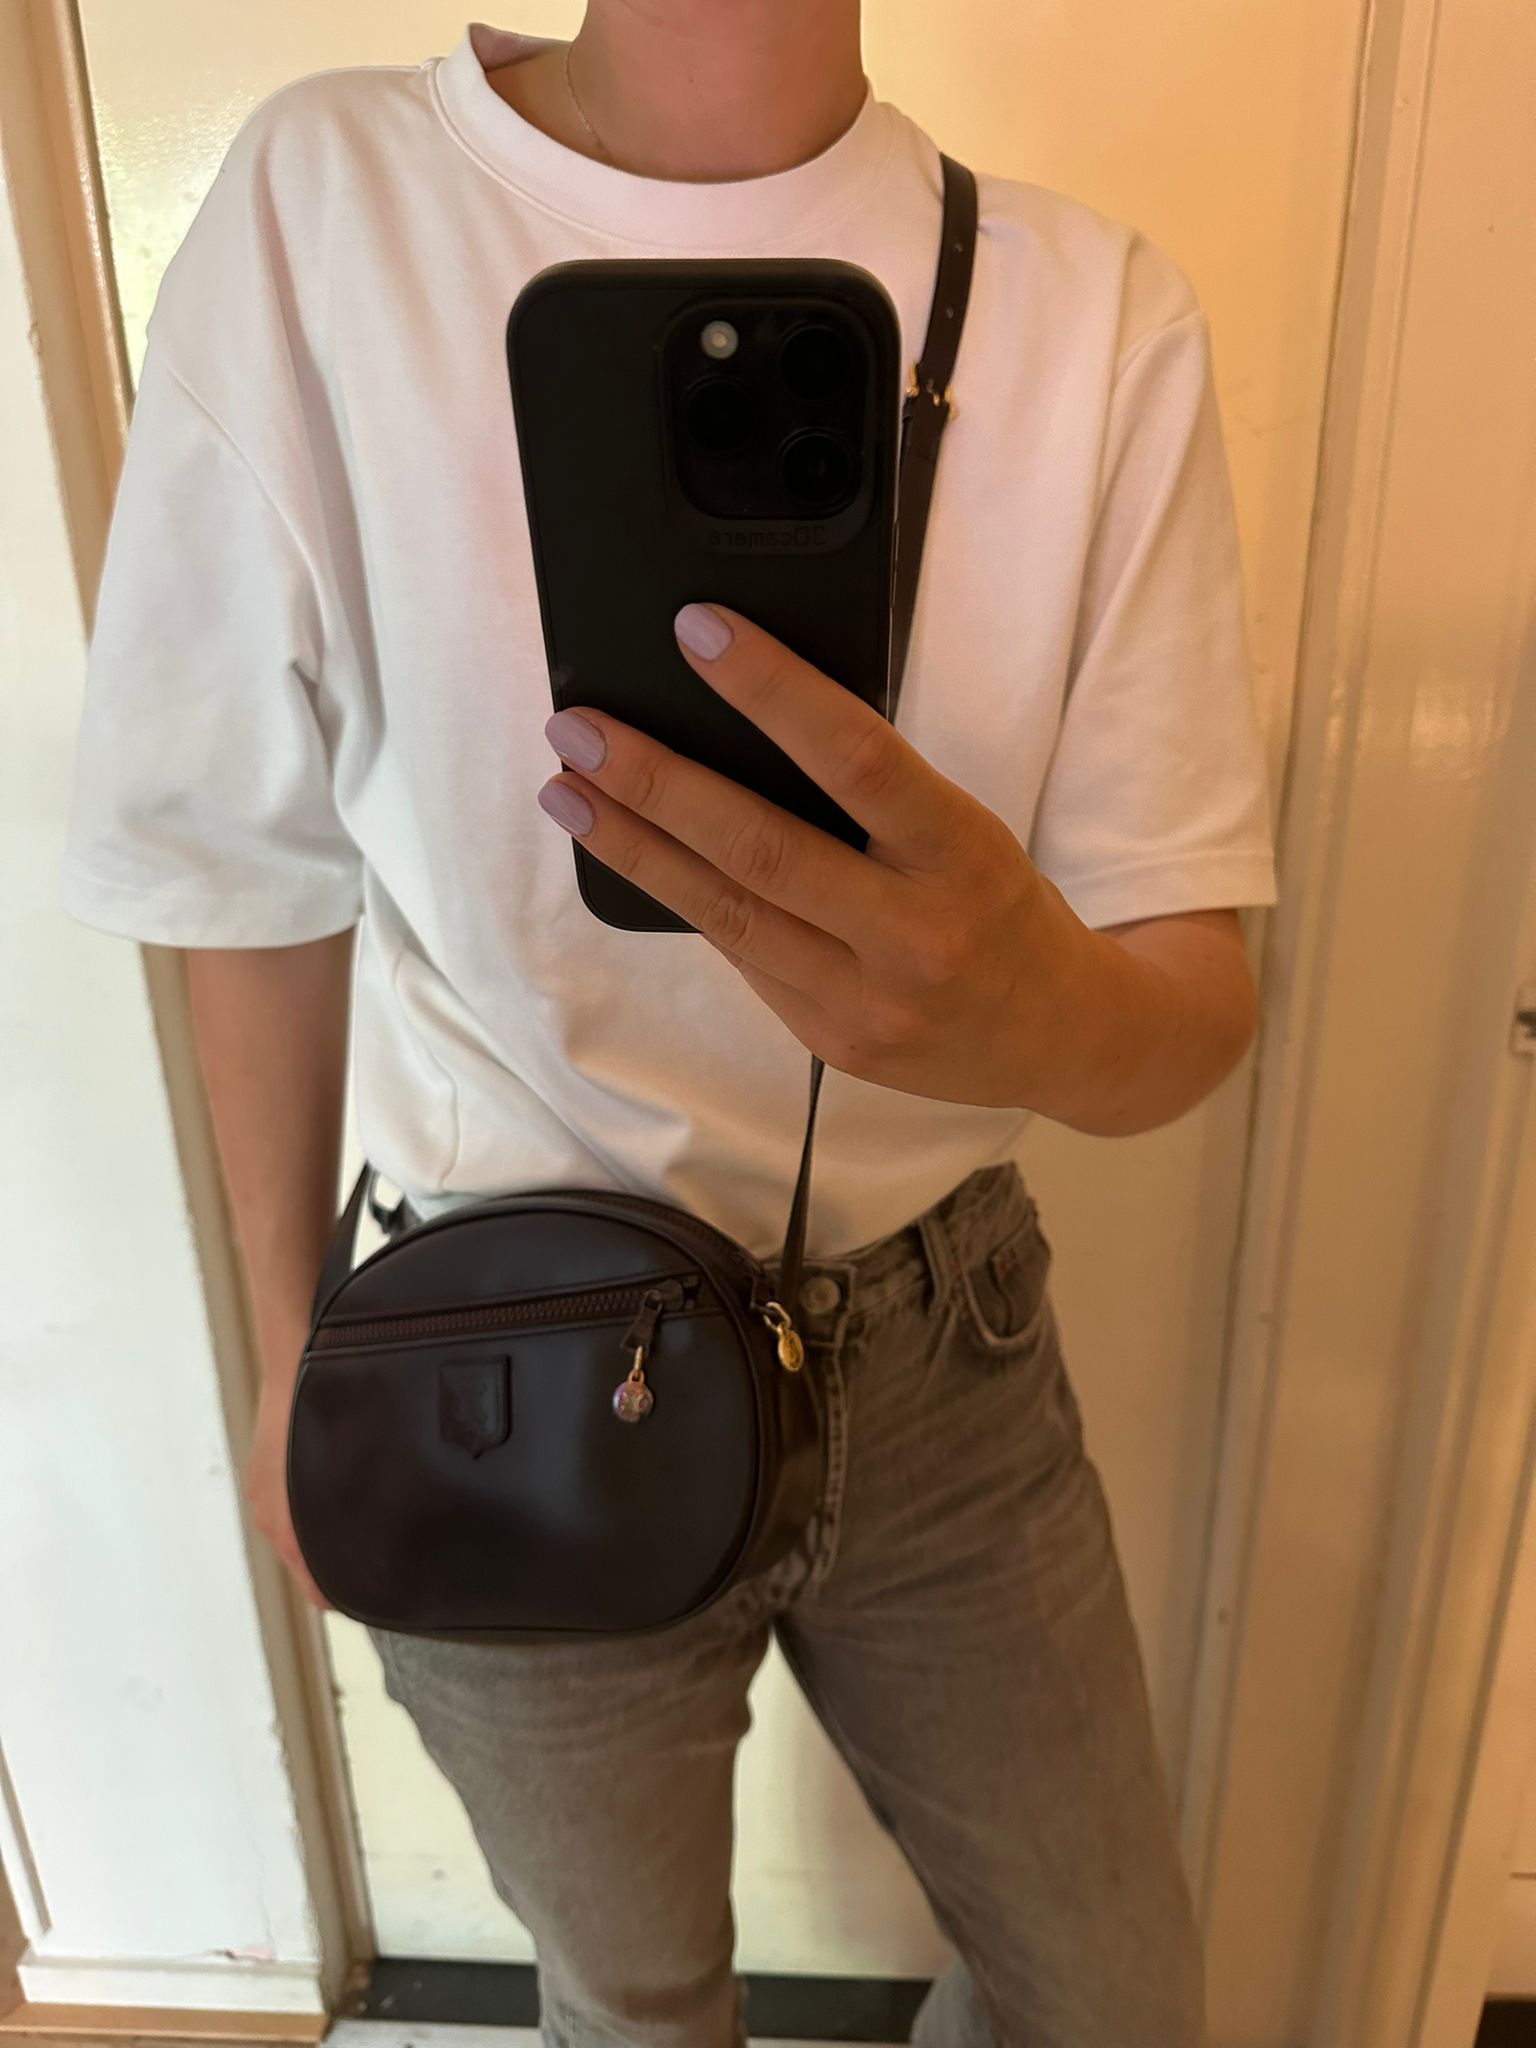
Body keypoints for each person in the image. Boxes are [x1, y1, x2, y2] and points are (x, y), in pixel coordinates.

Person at [59, 5, 1279, 2043]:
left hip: (946, 1356)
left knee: (1113, 2001)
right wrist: (289, 1355)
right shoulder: (333, 204)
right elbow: (240, 870)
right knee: (635, 2010)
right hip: (502, 1349)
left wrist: (1033, 1007)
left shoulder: (1093, 317)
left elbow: (1192, 1009)